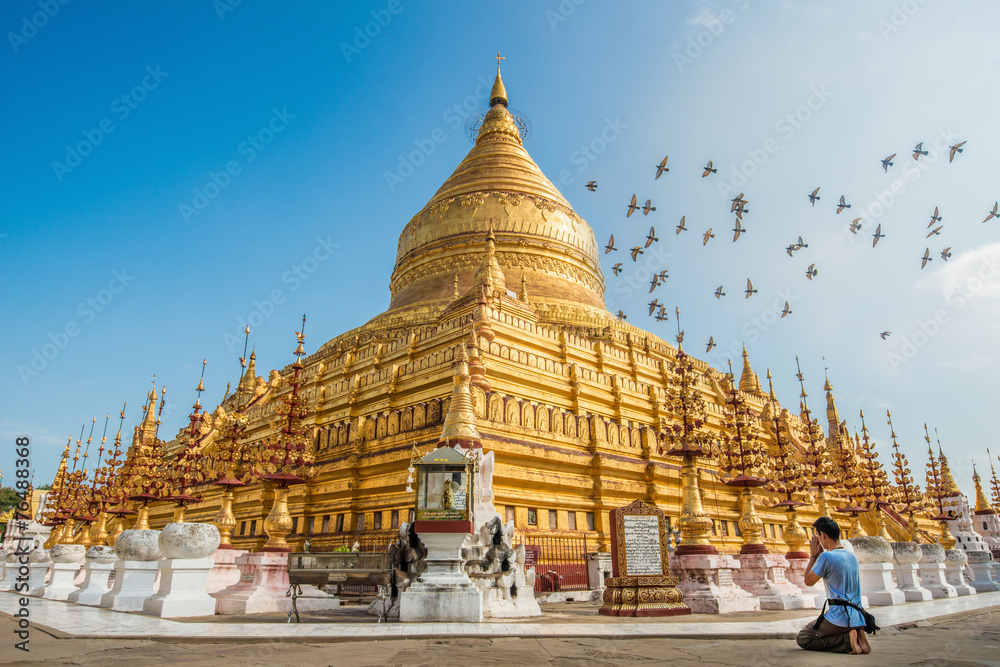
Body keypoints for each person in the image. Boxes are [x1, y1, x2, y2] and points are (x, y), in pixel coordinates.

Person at [796, 517, 871, 655]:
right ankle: (857, 634)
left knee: (803, 638)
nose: (818, 539)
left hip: (839, 616)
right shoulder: (851, 556)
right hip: (858, 615)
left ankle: (848, 640)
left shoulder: (826, 557)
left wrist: (813, 557)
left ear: (823, 535)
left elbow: (808, 581)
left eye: (818, 535)